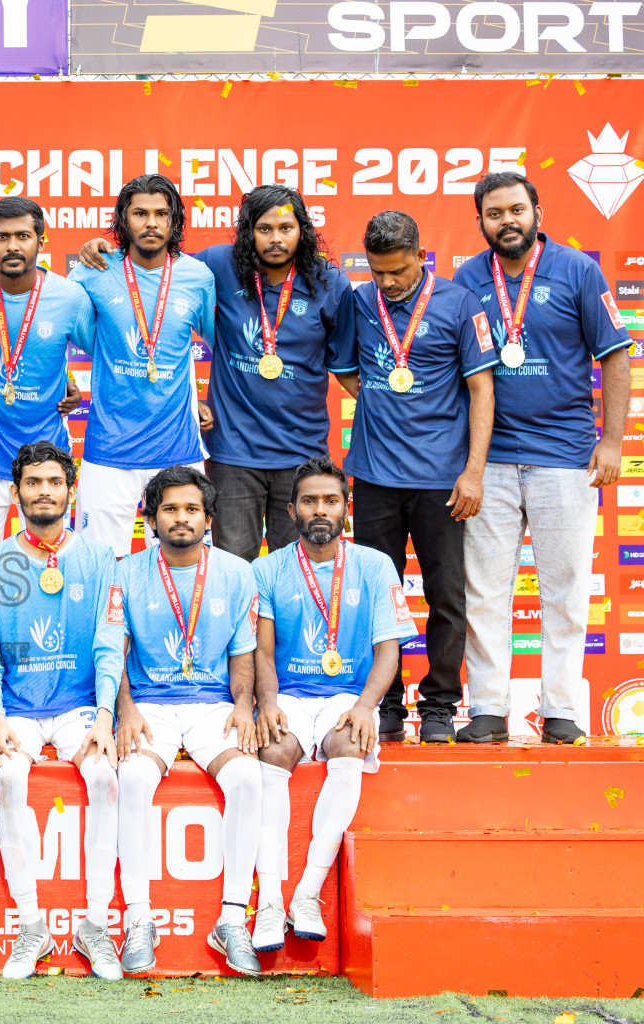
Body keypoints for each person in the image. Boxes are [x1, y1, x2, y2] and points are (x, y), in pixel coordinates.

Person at [453, 172, 633, 744]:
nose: (506, 221)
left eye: (516, 210)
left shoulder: (578, 270)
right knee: (484, 591)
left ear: (536, 211)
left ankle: (561, 710)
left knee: (566, 588)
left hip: (566, 457)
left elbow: (616, 356)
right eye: (494, 213)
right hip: (491, 460)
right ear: (479, 220)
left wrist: (611, 442)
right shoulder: (466, 278)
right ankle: (486, 707)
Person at [337, 211, 497, 743]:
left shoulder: (459, 303)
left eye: (398, 272)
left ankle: (439, 707)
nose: (387, 282)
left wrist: (473, 472)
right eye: (378, 272)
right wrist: (383, 404)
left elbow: (480, 389)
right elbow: (342, 368)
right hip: (375, 477)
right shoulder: (359, 302)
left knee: (446, 594)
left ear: (421, 257)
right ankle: (384, 705)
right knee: (376, 595)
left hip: (441, 479)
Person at [0, 442, 122, 979]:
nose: (44, 492)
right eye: (32, 483)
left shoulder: (101, 557)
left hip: (79, 706)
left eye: (54, 482)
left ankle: (96, 925)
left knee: (106, 777)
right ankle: (31, 927)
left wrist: (106, 714)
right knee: (9, 779)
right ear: (15, 493)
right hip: (17, 709)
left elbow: (109, 639)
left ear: (70, 490)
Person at [250, 457, 415, 952]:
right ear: (291, 509)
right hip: (291, 696)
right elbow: (261, 648)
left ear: (346, 507)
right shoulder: (268, 568)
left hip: (348, 696)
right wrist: (269, 702)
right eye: (309, 501)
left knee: (348, 747)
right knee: (272, 753)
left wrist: (367, 707)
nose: (319, 509)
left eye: (329, 500)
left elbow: (390, 647)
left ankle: (307, 892)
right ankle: (271, 901)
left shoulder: (374, 564)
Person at [113, 465, 262, 976]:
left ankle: (233, 918)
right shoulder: (125, 572)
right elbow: (116, 651)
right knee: (131, 777)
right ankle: (138, 919)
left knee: (246, 776)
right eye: (170, 509)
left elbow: (243, 654)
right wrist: (124, 708)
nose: (181, 518)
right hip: (149, 703)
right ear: (150, 518)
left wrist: (244, 706)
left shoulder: (238, 573)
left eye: (192, 509)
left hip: (212, 704)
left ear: (208, 517)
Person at [196, 187, 356, 561]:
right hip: (233, 454)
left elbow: (347, 367)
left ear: (303, 230)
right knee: (234, 568)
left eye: (286, 227)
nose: (275, 239)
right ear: (248, 231)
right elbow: (157, 273)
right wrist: (106, 251)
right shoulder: (218, 265)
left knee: (296, 572)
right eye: (264, 229)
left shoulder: (331, 283)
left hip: (301, 454)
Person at [69, 175, 217, 559]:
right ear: (123, 220)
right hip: (108, 449)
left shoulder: (197, 276)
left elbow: (223, 347)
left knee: (183, 561)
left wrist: (203, 401)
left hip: (177, 447)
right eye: (140, 213)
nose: (151, 223)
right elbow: (55, 330)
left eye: (161, 214)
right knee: (100, 564)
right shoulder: (93, 269)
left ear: (174, 221)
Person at [0, 197, 95, 555]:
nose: (12, 246)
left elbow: (105, 353)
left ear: (41, 241)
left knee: (50, 562)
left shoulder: (69, 296)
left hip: (46, 457)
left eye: (22, 236)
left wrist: (70, 382)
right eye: (1, 237)